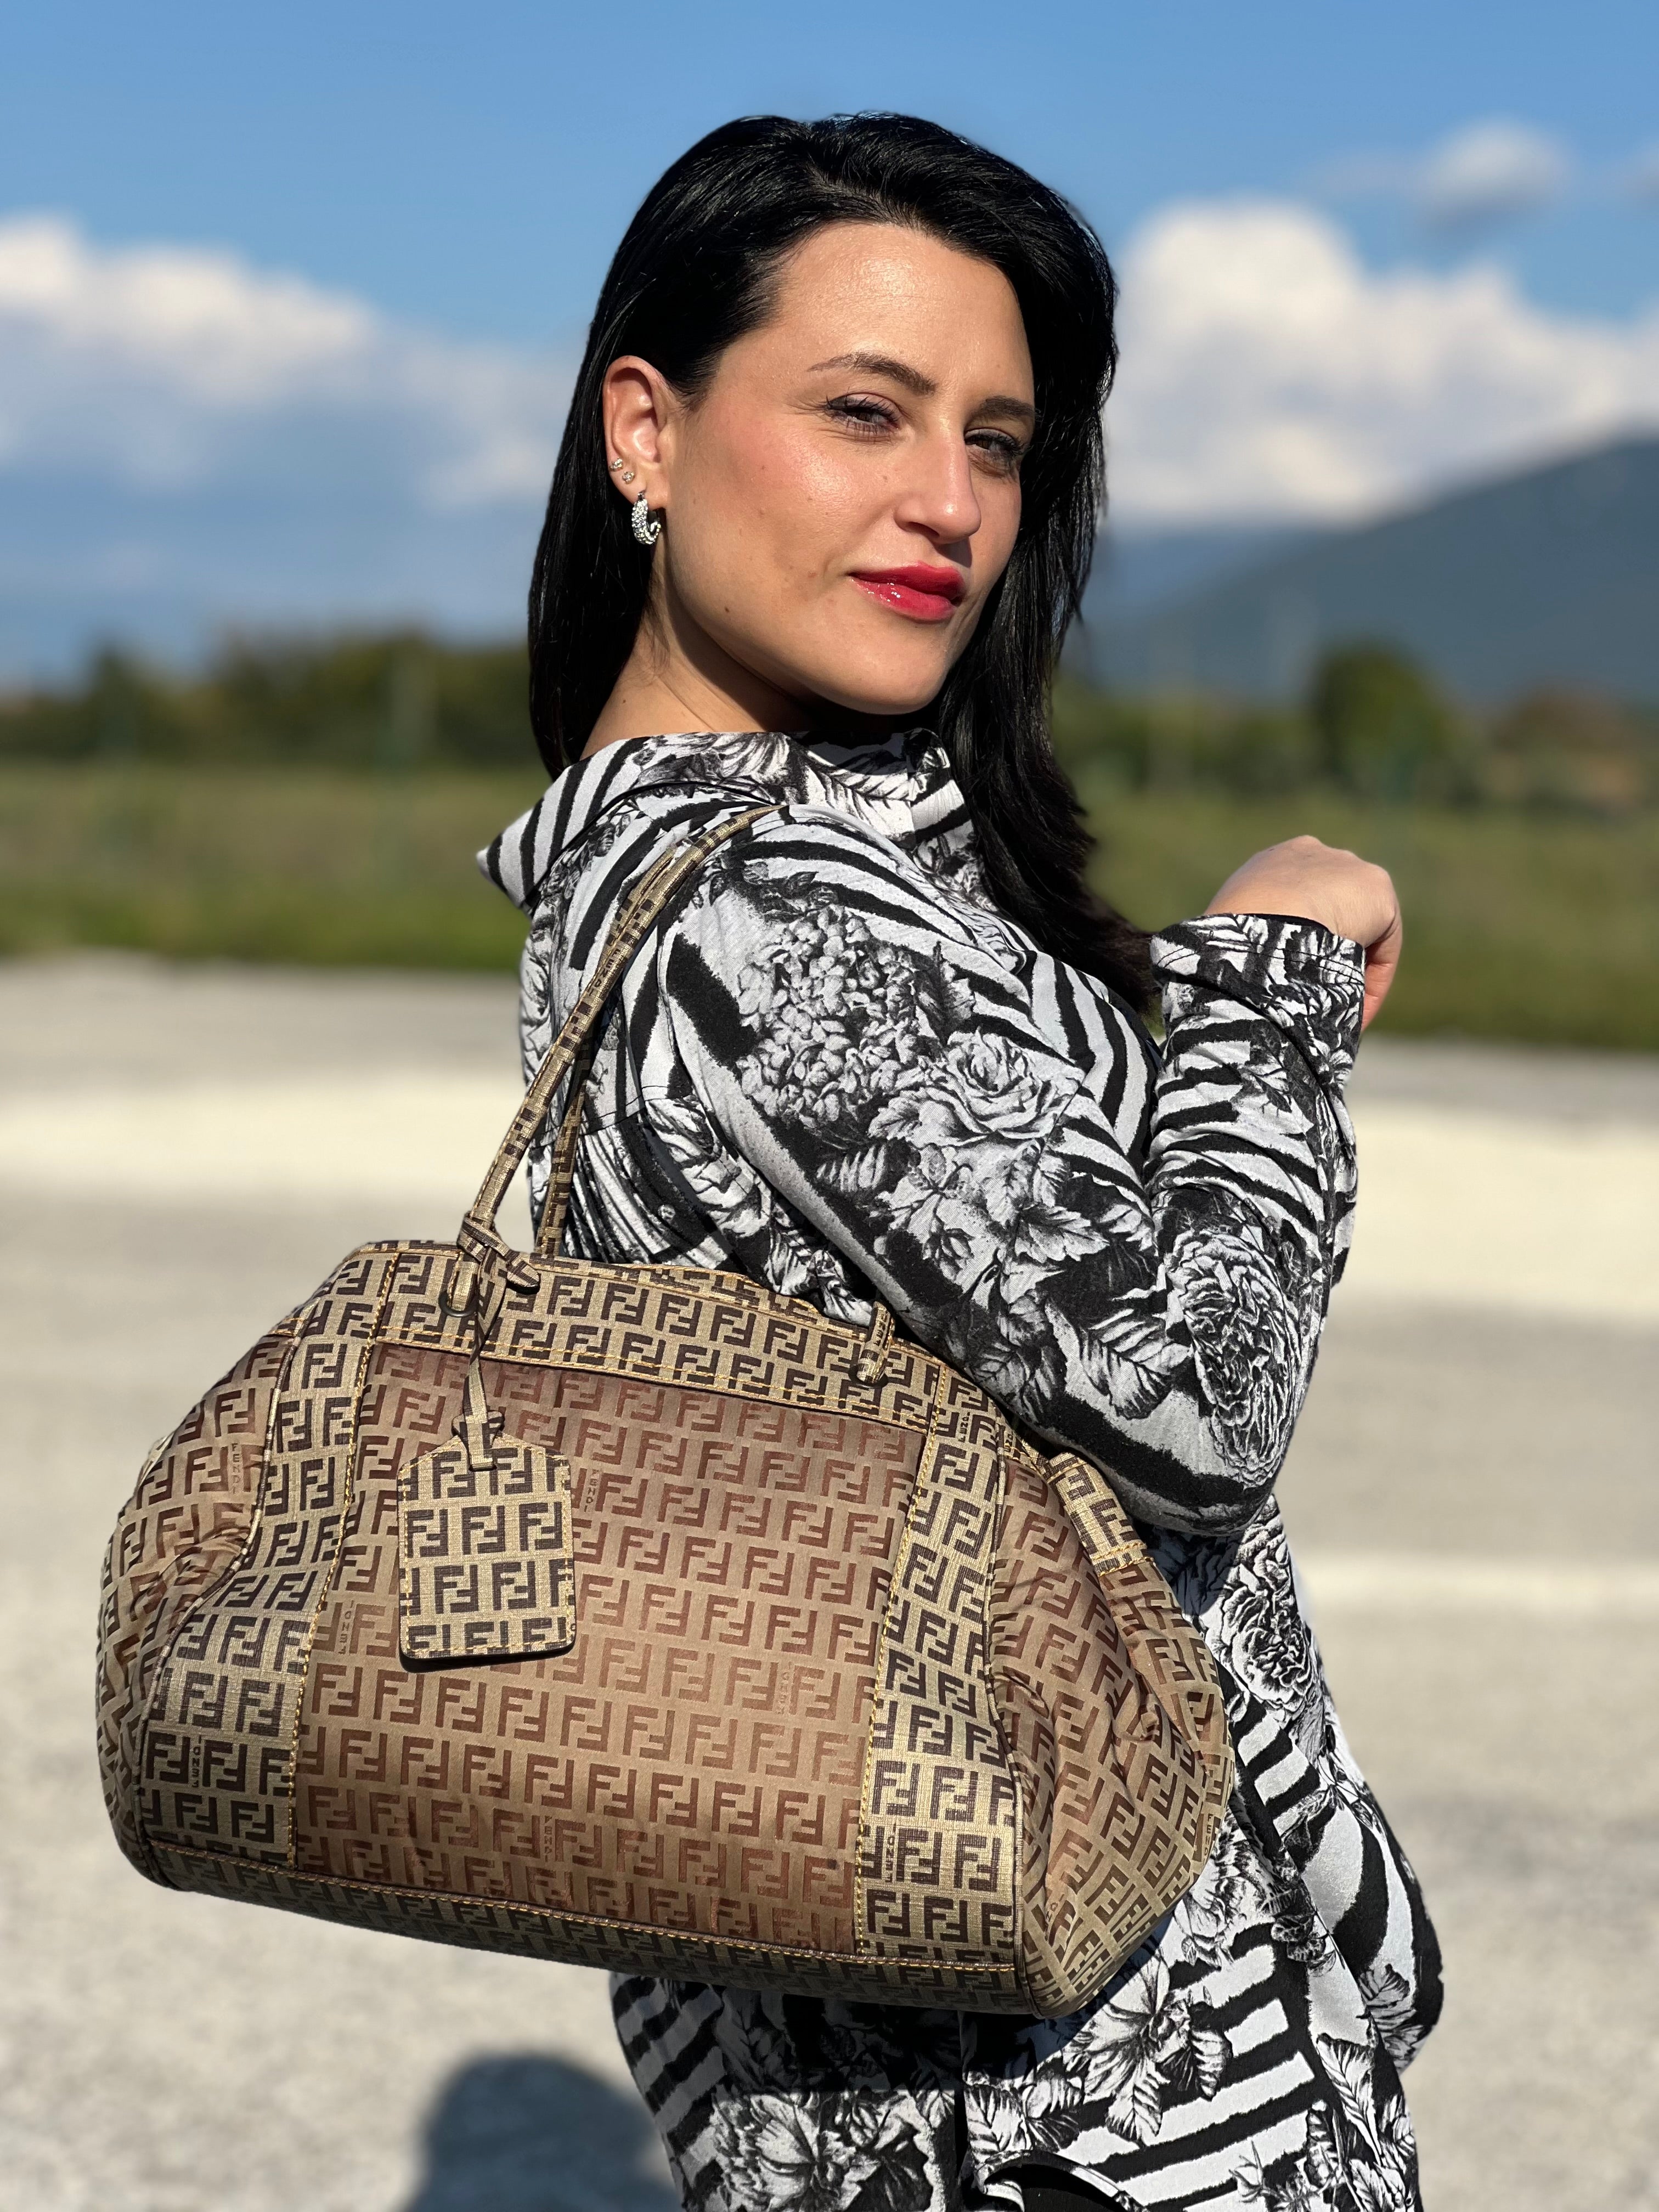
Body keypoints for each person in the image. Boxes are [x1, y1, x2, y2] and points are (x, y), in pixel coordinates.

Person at [481, 112, 1441, 2212]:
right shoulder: (770, 917)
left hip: (916, 2060)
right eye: (864, 412)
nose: (948, 503)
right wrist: (1268, 986)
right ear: (645, 430)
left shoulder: (701, 886)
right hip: (1062, 2099)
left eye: (997, 443)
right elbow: (1192, 1401)